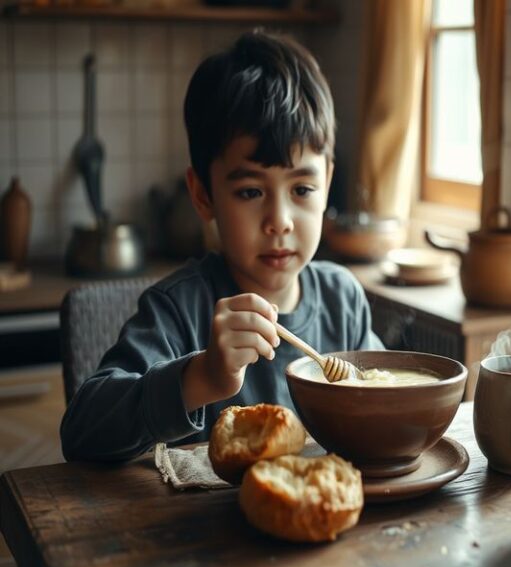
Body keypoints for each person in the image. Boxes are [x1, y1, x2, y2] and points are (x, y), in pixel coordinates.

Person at [60, 30, 384, 462]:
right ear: (203, 195)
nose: (280, 222)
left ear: (327, 180)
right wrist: (200, 377)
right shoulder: (179, 309)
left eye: (303, 189)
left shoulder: (342, 300)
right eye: (250, 192)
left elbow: (381, 401)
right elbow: (82, 433)